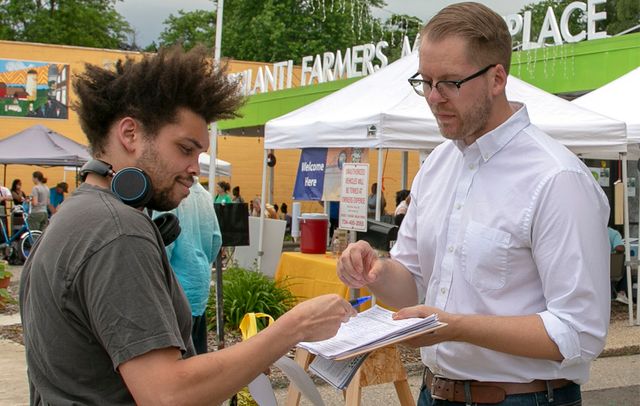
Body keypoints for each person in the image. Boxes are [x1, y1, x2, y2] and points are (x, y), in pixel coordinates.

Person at [19, 46, 355, 405]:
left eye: (199, 154)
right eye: (184, 149)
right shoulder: (118, 231)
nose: (196, 168)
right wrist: (294, 328)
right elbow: (167, 394)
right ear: (130, 134)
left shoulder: (77, 213)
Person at [337, 3, 609, 405]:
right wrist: (375, 271)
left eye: (449, 83)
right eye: (425, 81)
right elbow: (411, 284)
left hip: (524, 398)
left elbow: (579, 333)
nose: (433, 98)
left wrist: (456, 327)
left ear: (497, 78)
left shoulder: (557, 178)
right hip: (434, 392)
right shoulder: (437, 165)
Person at [160, 178, 221, 355]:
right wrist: (201, 262)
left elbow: (162, 246)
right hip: (199, 284)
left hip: (176, 288)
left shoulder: (168, 195)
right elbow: (216, 239)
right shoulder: (205, 195)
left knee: (178, 358)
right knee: (198, 354)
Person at [608, 226, 629, 304]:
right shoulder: (613, 233)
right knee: (626, 267)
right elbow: (619, 248)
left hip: (591, 270)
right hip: (611, 270)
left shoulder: (589, 232)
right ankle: (621, 293)